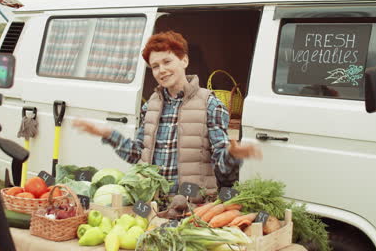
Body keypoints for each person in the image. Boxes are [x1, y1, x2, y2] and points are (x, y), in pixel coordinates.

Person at [72, 31, 261, 194]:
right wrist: (107, 134)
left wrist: (233, 154)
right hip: (154, 204)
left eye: (167, 61)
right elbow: (137, 155)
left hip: (193, 206)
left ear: (184, 60)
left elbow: (222, 170)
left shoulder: (211, 104)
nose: (161, 70)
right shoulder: (151, 106)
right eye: (155, 66)